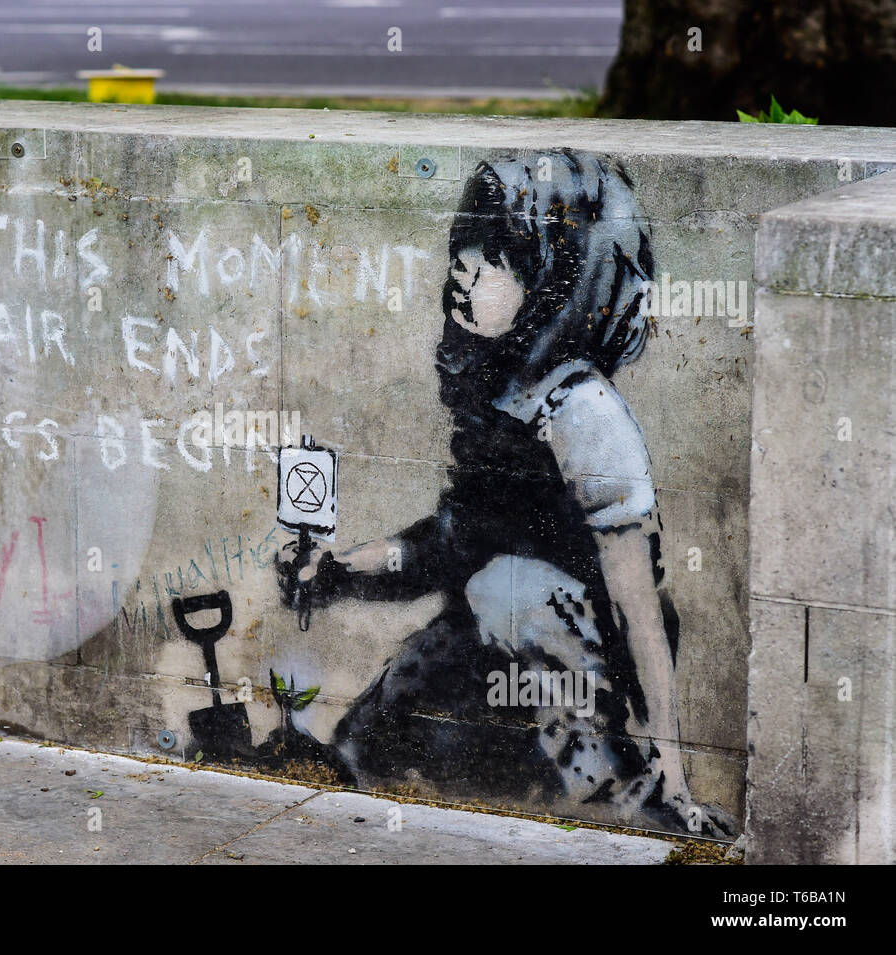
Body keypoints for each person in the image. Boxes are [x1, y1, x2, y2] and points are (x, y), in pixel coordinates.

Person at [277, 152, 733, 836]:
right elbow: (448, 542)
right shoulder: (501, 395)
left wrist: (672, 765)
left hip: (579, 658)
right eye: (464, 248)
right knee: (376, 727)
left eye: (494, 257)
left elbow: (636, 606)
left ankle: (626, 792)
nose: (465, 269)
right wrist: (338, 571)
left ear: (555, 277)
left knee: (503, 586)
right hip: (499, 632)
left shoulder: (583, 411)